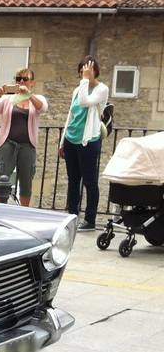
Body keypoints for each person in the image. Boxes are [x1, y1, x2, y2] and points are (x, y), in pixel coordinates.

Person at [0, 67, 48, 206]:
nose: (21, 82)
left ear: (32, 83)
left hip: (27, 146)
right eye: (18, 79)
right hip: (8, 144)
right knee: (1, 181)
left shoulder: (37, 99)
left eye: (25, 79)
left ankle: (22, 215)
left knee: (26, 183)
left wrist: (29, 95)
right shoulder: (8, 99)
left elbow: (42, 108)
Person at [61, 56, 109, 231]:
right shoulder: (77, 89)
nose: (84, 74)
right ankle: (72, 216)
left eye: (88, 70)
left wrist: (85, 81)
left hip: (88, 140)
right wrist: (62, 142)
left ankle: (90, 220)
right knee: (73, 180)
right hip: (71, 139)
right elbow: (71, 115)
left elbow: (85, 102)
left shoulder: (102, 89)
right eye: (82, 71)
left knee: (90, 181)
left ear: (95, 70)